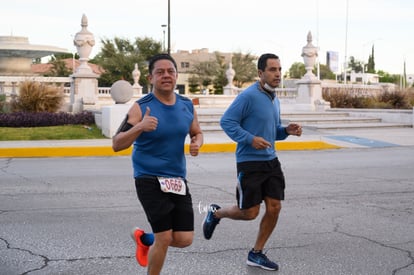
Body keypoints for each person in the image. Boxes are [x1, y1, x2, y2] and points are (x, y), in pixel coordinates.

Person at [202, 53, 302, 271]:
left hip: (271, 161)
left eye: (279, 69)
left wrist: (286, 130)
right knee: (249, 212)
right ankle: (215, 213)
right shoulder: (248, 96)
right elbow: (226, 121)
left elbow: (272, 132)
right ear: (260, 73)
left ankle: (255, 253)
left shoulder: (274, 99)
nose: (277, 74)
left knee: (275, 207)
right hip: (250, 163)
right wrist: (249, 139)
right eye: (272, 70)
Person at [112, 53, 203, 275]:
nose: (166, 76)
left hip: (176, 179)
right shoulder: (141, 107)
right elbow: (116, 144)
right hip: (148, 177)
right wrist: (140, 127)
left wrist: (196, 143)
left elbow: (197, 132)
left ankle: (144, 239)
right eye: (160, 72)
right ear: (150, 78)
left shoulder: (186, 105)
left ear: (176, 76)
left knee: (183, 239)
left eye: (170, 71)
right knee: (164, 237)